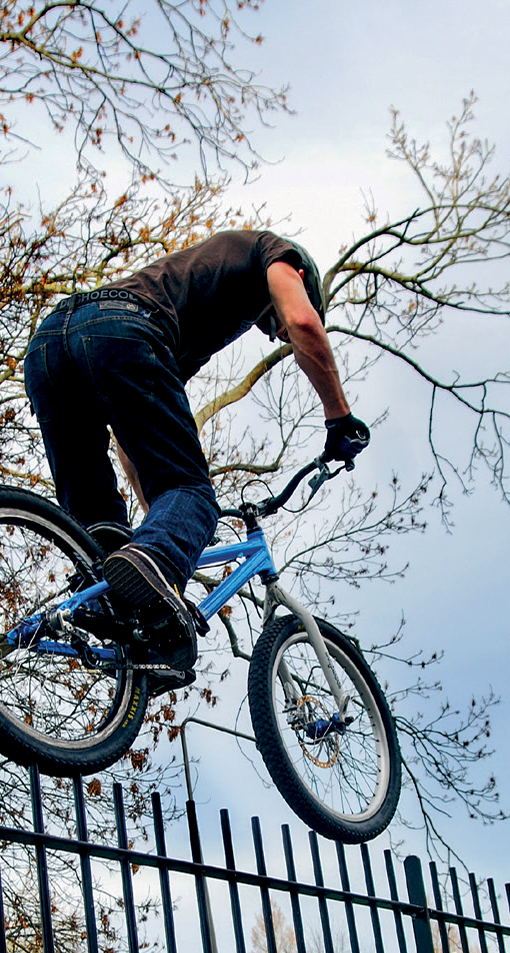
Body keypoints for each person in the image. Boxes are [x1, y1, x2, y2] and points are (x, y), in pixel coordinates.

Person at [23, 229, 370, 688]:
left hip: (48, 349)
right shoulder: (275, 254)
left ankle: (99, 610)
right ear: (299, 276)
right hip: (119, 329)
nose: (278, 333)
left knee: (101, 531)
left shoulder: (195, 325)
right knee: (196, 496)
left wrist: (161, 526)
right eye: (274, 326)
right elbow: (306, 324)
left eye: (276, 333)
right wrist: (339, 418)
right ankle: (145, 562)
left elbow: (132, 441)